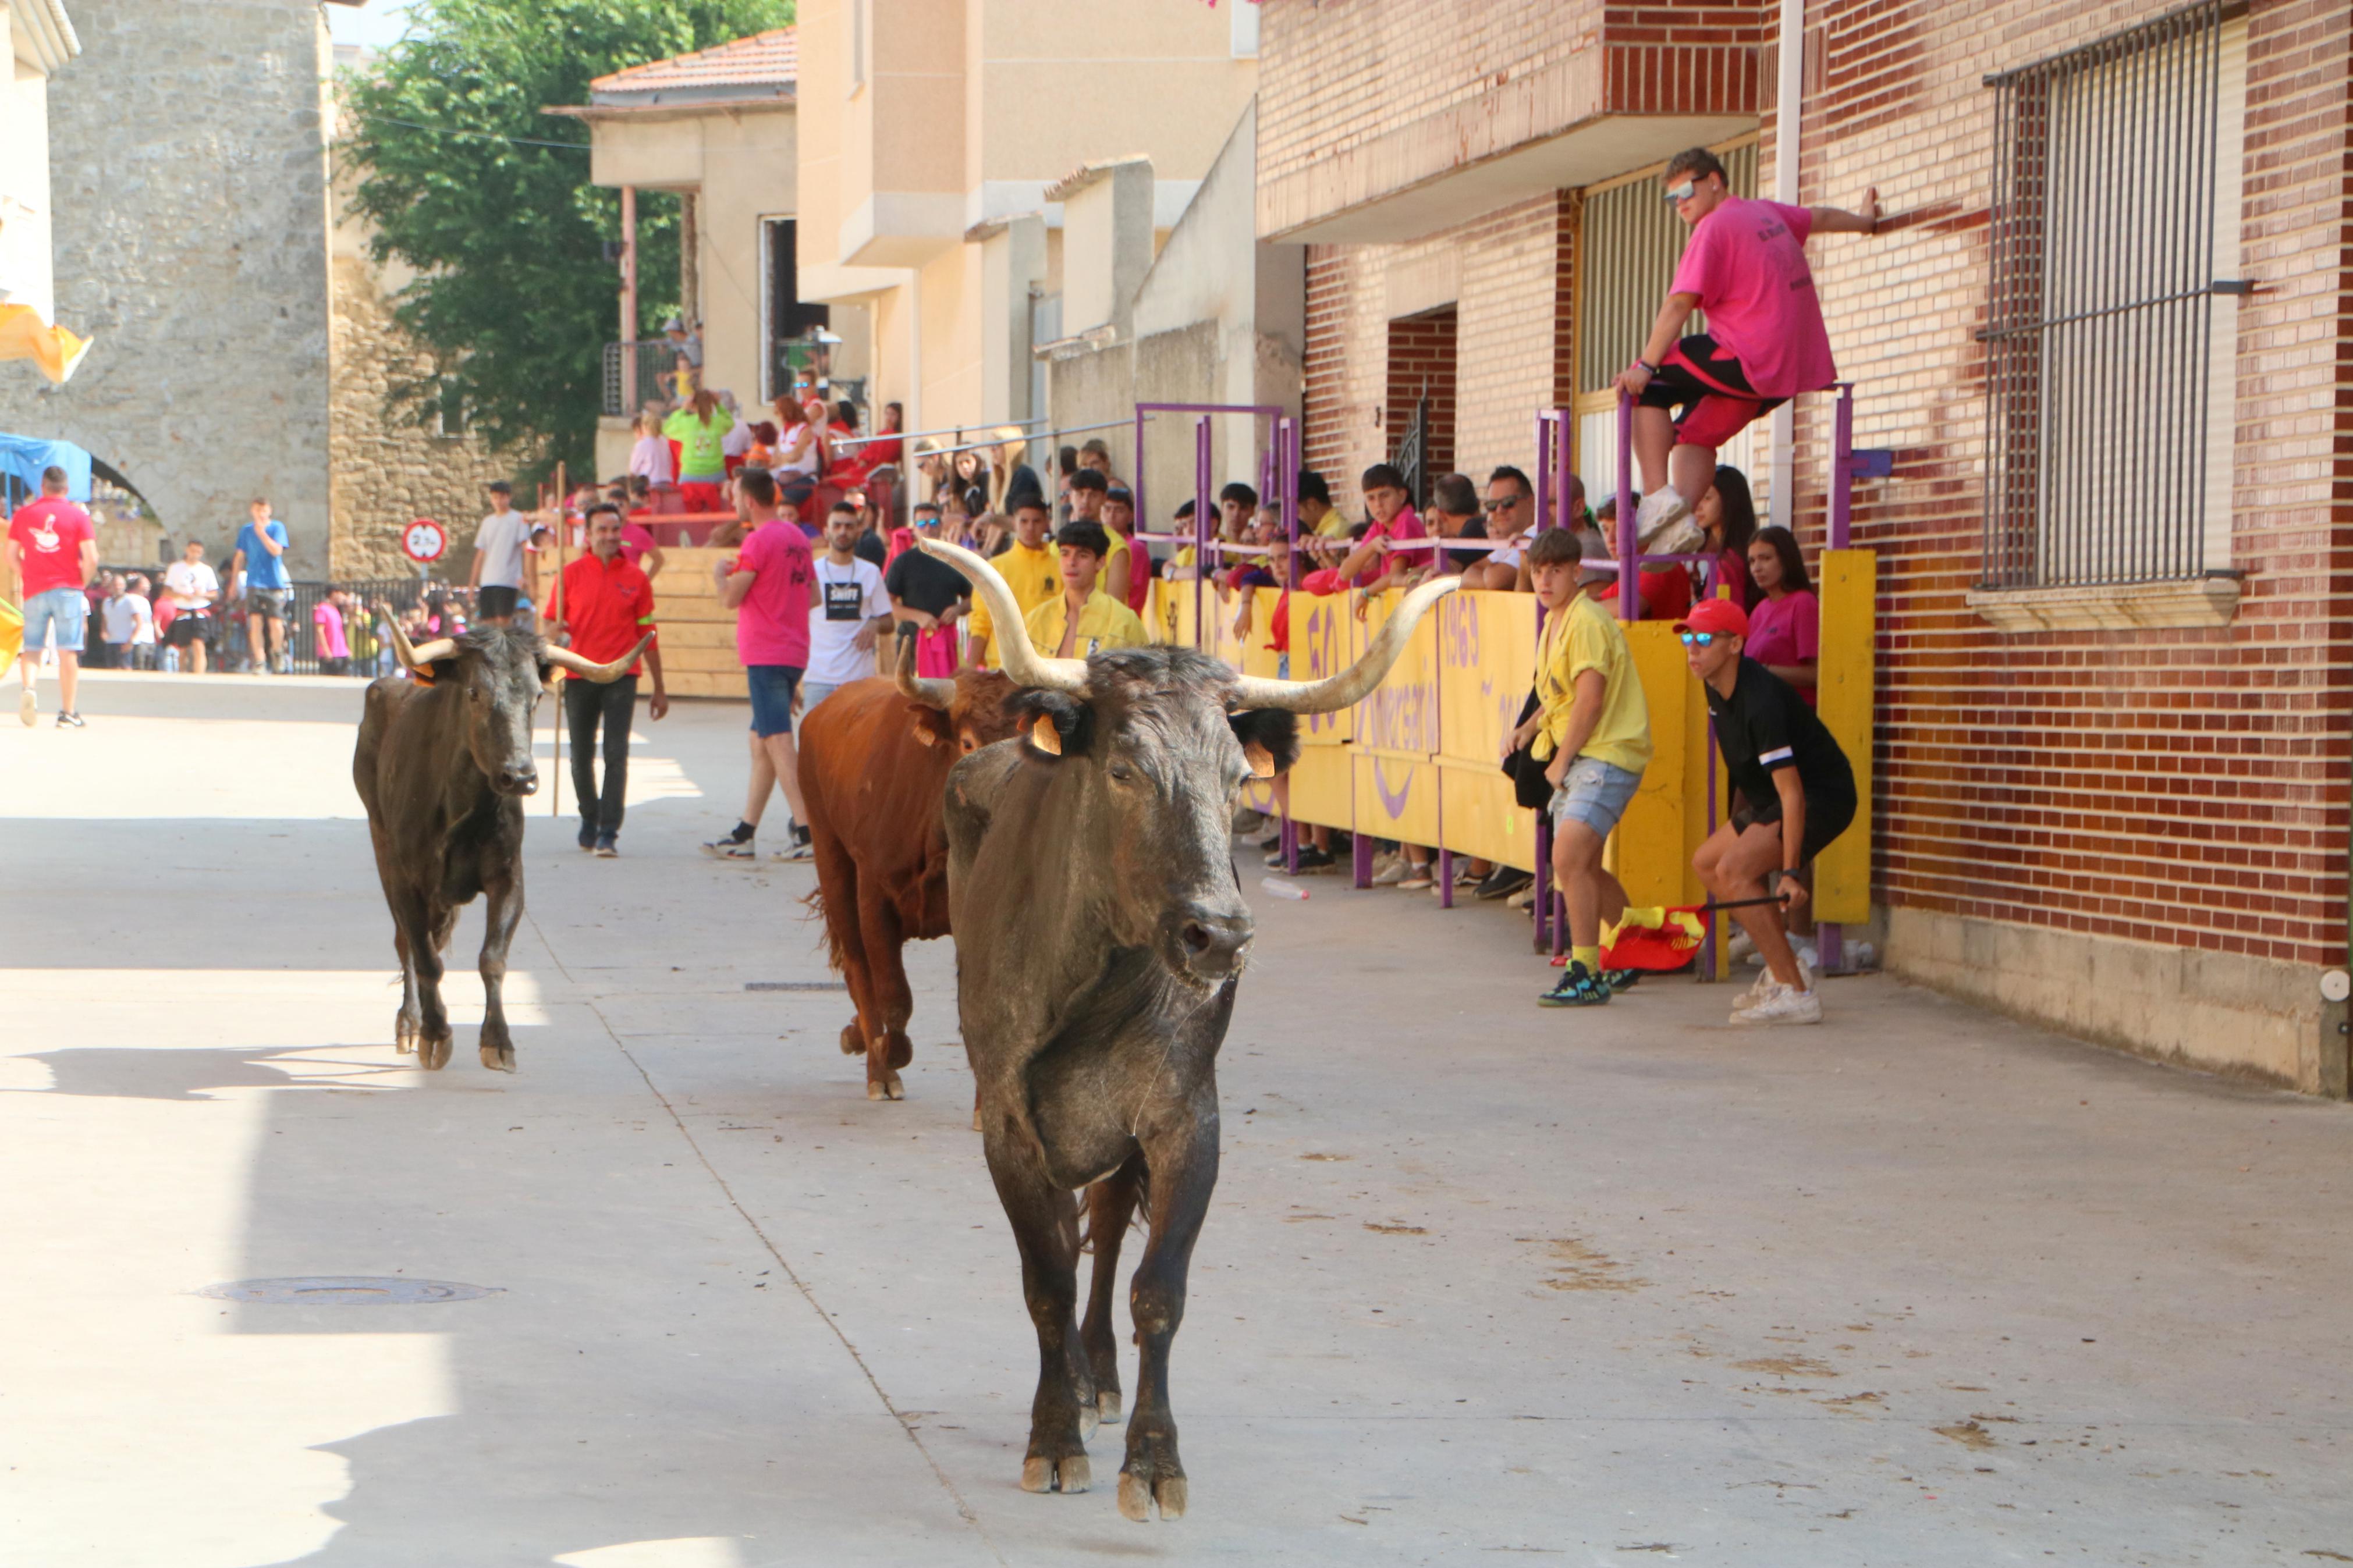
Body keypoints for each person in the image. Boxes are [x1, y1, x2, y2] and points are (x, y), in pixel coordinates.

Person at [1612, 146, 1880, 539]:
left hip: (1750, 360)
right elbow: (1819, 217)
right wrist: (1864, 222)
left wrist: (1645, 366)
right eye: (1671, 198)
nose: (1678, 204)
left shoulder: (1713, 227)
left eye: (1685, 191)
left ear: (1715, 182)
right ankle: (1674, 525)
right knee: (1695, 431)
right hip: (1785, 377)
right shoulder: (1765, 212)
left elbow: (1678, 303)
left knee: (1643, 388)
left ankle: (1655, 498)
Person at [1682, 596, 1855, 1026]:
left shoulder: (1760, 701)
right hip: (1773, 799)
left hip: (1822, 795)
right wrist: (1745, 827)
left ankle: (1796, 993)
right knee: (1707, 862)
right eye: (1688, 637)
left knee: (1735, 871)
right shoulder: (1714, 685)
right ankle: (1786, 974)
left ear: (1735, 644)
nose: (1692, 649)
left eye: (1704, 638)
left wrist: (1791, 872)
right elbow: (1749, 771)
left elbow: (1793, 794)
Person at [1513, 527, 1653, 1008]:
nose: (1545, 579)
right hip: (1592, 753)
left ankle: (1586, 970)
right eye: (1537, 570)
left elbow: (1590, 702)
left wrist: (1561, 762)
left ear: (1577, 571)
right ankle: (1635, 949)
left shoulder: (1586, 621)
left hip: (1607, 752)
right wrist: (1530, 727)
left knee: (1568, 858)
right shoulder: (1556, 620)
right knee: (1585, 864)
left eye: (1555, 570)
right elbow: (1560, 693)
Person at [703, 468, 818, 862]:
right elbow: (813, 595)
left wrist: (721, 576)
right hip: (793, 650)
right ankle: (745, 831)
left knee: (776, 738)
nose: (732, 501)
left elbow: (731, 598)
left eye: (735, 494)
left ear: (749, 499)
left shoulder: (758, 539)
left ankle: (806, 830)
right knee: (761, 741)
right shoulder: (797, 537)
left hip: (766, 652)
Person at [546, 503, 668, 856]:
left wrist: (660, 689)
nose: (610, 536)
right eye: (602, 530)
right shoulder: (568, 574)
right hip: (579, 673)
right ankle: (590, 817)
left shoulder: (637, 578)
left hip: (621, 675)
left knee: (616, 754)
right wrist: (552, 630)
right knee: (579, 755)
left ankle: (609, 831)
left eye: (615, 529)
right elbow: (551, 627)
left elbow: (649, 635)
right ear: (588, 535)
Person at [8, 464, 97, 726]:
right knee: (68, 651)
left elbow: (11, 554)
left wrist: (26, 574)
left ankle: (29, 689)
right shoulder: (78, 516)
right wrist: (83, 580)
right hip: (68, 589)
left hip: (35, 589)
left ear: (42, 487)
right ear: (66, 489)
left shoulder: (24, 515)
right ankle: (68, 713)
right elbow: (92, 556)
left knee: (33, 648)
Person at [961, 477, 1059, 670]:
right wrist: (972, 668)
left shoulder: (1061, 567)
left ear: (1046, 523)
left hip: (1050, 666)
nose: (1030, 528)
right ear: (1014, 523)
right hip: (1003, 667)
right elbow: (981, 620)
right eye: (1024, 521)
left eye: (1036, 521)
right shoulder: (995, 568)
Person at [804, 501, 892, 710]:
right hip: (819, 679)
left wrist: (873, 624)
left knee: (862, 743)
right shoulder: (812, 572)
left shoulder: (870, 572)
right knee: (814, 743)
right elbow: (793, 623)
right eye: (837, 526)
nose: (843, 531)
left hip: (859, 681)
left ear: (859, 532)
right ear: (826, 532)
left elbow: (889, 622)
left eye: (849, 526)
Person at [1024, 520, 1149, 659]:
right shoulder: (1036, 620)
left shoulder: (1124, 622)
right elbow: (1013, 676)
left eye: (1083, 555)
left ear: (1100, 562)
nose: (1071, 562)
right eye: (1065, 554)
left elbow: (1148, 677)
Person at [886, 502, 971, 678]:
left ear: (941, 526)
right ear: (914, 529)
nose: (928, 529)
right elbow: (887, 604)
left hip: (947, 641)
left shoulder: (954, 560)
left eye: (933, 523)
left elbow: (973, 600)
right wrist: (918, 617)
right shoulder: (903, 563)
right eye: (922, 524)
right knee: (911, 700)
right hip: (912, 641)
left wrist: (958, 609)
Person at [1743, 525, 1819, 703]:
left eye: (1765, 559)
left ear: (1786, 559)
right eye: (1752, 561)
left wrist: (1764, 671)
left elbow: (1818, 674)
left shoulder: (1803, 603)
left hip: (1795, 714)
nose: (1757, 568)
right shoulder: (1760, 609)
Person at [223, 497, 293, 674]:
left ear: (269, 511)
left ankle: (277, 652)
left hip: (273, 582)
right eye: (256, 510)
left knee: (276, 622)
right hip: (254, 582)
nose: (260, 514)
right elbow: (240, 557)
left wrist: (262, 533)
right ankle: (260, 661)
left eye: (263, 510)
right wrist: (234, 583)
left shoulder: (277, 528)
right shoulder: (246, 531)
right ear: (252, 511)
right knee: (255, 622)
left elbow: (277, 551)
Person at [1695, 464, 1760, 609]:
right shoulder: (1699, 552)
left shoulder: (1729, 562)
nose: (1698, 505)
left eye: (1706, 498)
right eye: (1697, 497)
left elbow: (1727, 618)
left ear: (1729, 500)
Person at [467, 481, 531, 625]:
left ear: (509, 498)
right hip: (488, 580)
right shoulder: (487, 522)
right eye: (495, 497)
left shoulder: (519, 519)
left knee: (503, 621)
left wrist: (525, 576)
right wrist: (472, 584)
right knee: (487, 623)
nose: (499, 501)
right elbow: (480, 554)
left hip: (508, 580)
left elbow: (526, 549)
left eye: (502, 497)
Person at [1474, 467, 1543, 592]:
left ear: (1531, 502)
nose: (1500, 510)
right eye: (1492, 505)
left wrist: (1487, 575)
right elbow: (1470, 572)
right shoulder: (1512, 540)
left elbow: (1495, 580)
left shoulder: (1537, 535)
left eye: (1508, 502)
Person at [665, 391, 733, 513]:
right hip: (716, 473)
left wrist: (682, 409)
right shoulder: (717, 422)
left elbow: (667, 428)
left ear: (693, 405)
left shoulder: (686, 422)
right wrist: (718, 405)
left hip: (690, 474)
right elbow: (730, 422)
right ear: (711, 405)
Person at [161, 539, 220, 676]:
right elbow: (166, 592)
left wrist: (203, 594)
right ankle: (183, 674)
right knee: (183, 647)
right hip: (182, 612)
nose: (195, 554)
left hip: (200, 611)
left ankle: (200, 675)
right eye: (193, 551)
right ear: (187, 550)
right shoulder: (176, 568)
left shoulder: (206, 570)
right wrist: (181, 594)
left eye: (198, 552)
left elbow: (215, 594)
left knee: (199, 645)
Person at [1102, 484, 1148, 613]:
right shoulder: (1100, 543)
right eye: (1107, 509)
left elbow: (1129, 592)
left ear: (1131, 516)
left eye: (1119, 510)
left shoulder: (1134, 548)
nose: (1112, 515)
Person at [103, 575, 155, 671]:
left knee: (127, 670)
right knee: (112, 670)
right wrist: (103, 631)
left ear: (124, 586)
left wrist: (131, 641)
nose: (117, 587)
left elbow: (139, 622)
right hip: (111, 641)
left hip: (125, 641)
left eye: (120, 585)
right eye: (115, 585)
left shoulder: (130, 601)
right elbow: (105, 619)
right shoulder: (107, 602)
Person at [627, 412, 675, 487]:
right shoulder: (665, 442)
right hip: (666, 483)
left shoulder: (642, 444)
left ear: (645, 427)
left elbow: (633, 470)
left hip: (650, 483)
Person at [311, 588, 350, 676]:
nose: (343, 597)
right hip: (331, 653)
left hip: (342, 653)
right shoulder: (322, 609)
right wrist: (326, 650)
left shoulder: (336, 610)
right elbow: (320, 631)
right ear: (334, 594)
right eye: (341, 594)